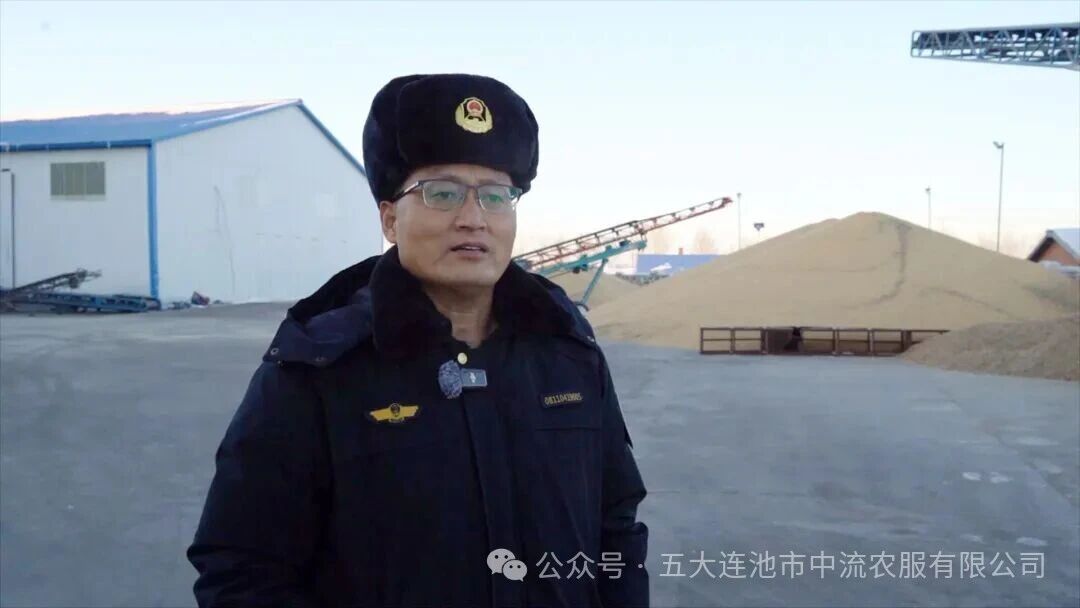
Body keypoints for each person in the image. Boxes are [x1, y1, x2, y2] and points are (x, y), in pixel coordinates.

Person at [187, 74, 649, 607]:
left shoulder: (567, 352)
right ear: (389, 219)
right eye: (442, 193)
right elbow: (242, 569)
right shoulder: (318, 369)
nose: (473, 219)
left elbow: (615, 525)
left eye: (496, 196)